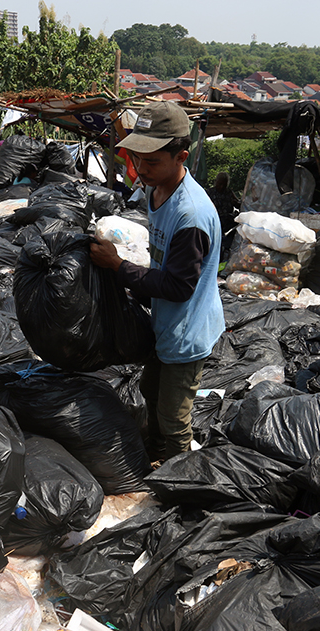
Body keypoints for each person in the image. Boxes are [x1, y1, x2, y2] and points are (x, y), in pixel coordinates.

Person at [90, 101, 224, 462]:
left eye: (151, 162)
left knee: (174, 414)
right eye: (138, 160)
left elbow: (180, 287)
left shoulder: (191, 215)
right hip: (167, 320)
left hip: (188, 328)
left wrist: (119, 267)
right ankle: (156, 450)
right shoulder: (157, 191)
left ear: (181, 156)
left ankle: (179, 478)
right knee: (150, 388)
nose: (142, 170)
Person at [205, 171, 240, 260]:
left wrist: (236, 203)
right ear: (216, 181)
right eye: (219, 184)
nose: (221, 187)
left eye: (224, 185)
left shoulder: (228, 192)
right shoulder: (209, 192)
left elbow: (239, 205)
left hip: (226, 223)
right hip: (213, 222)